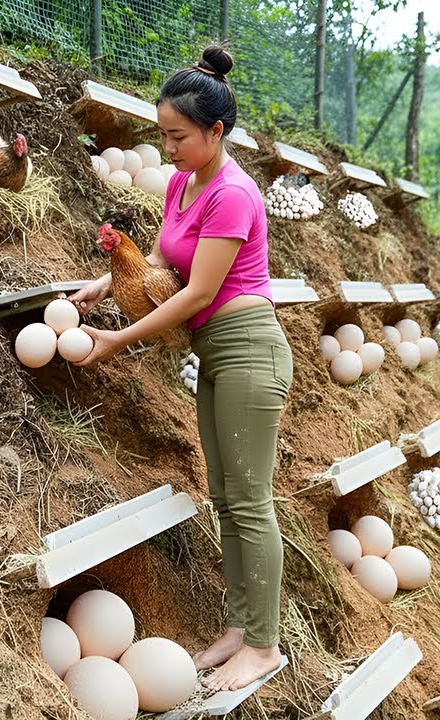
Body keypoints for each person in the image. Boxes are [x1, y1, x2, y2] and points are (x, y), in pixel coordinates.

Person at [69, 44, 293, 692]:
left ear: (216, 132)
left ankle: (266, 645)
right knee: (225, 497)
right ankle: (240, 627)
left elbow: (197, 294)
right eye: (162, 134)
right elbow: (167, 271)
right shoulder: (180, 182)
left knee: (250, 503)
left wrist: (117, 342)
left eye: (179, 136)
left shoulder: (233, 194)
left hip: (248, 348)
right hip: (215, 355)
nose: (167, 148)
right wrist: (105, 283)